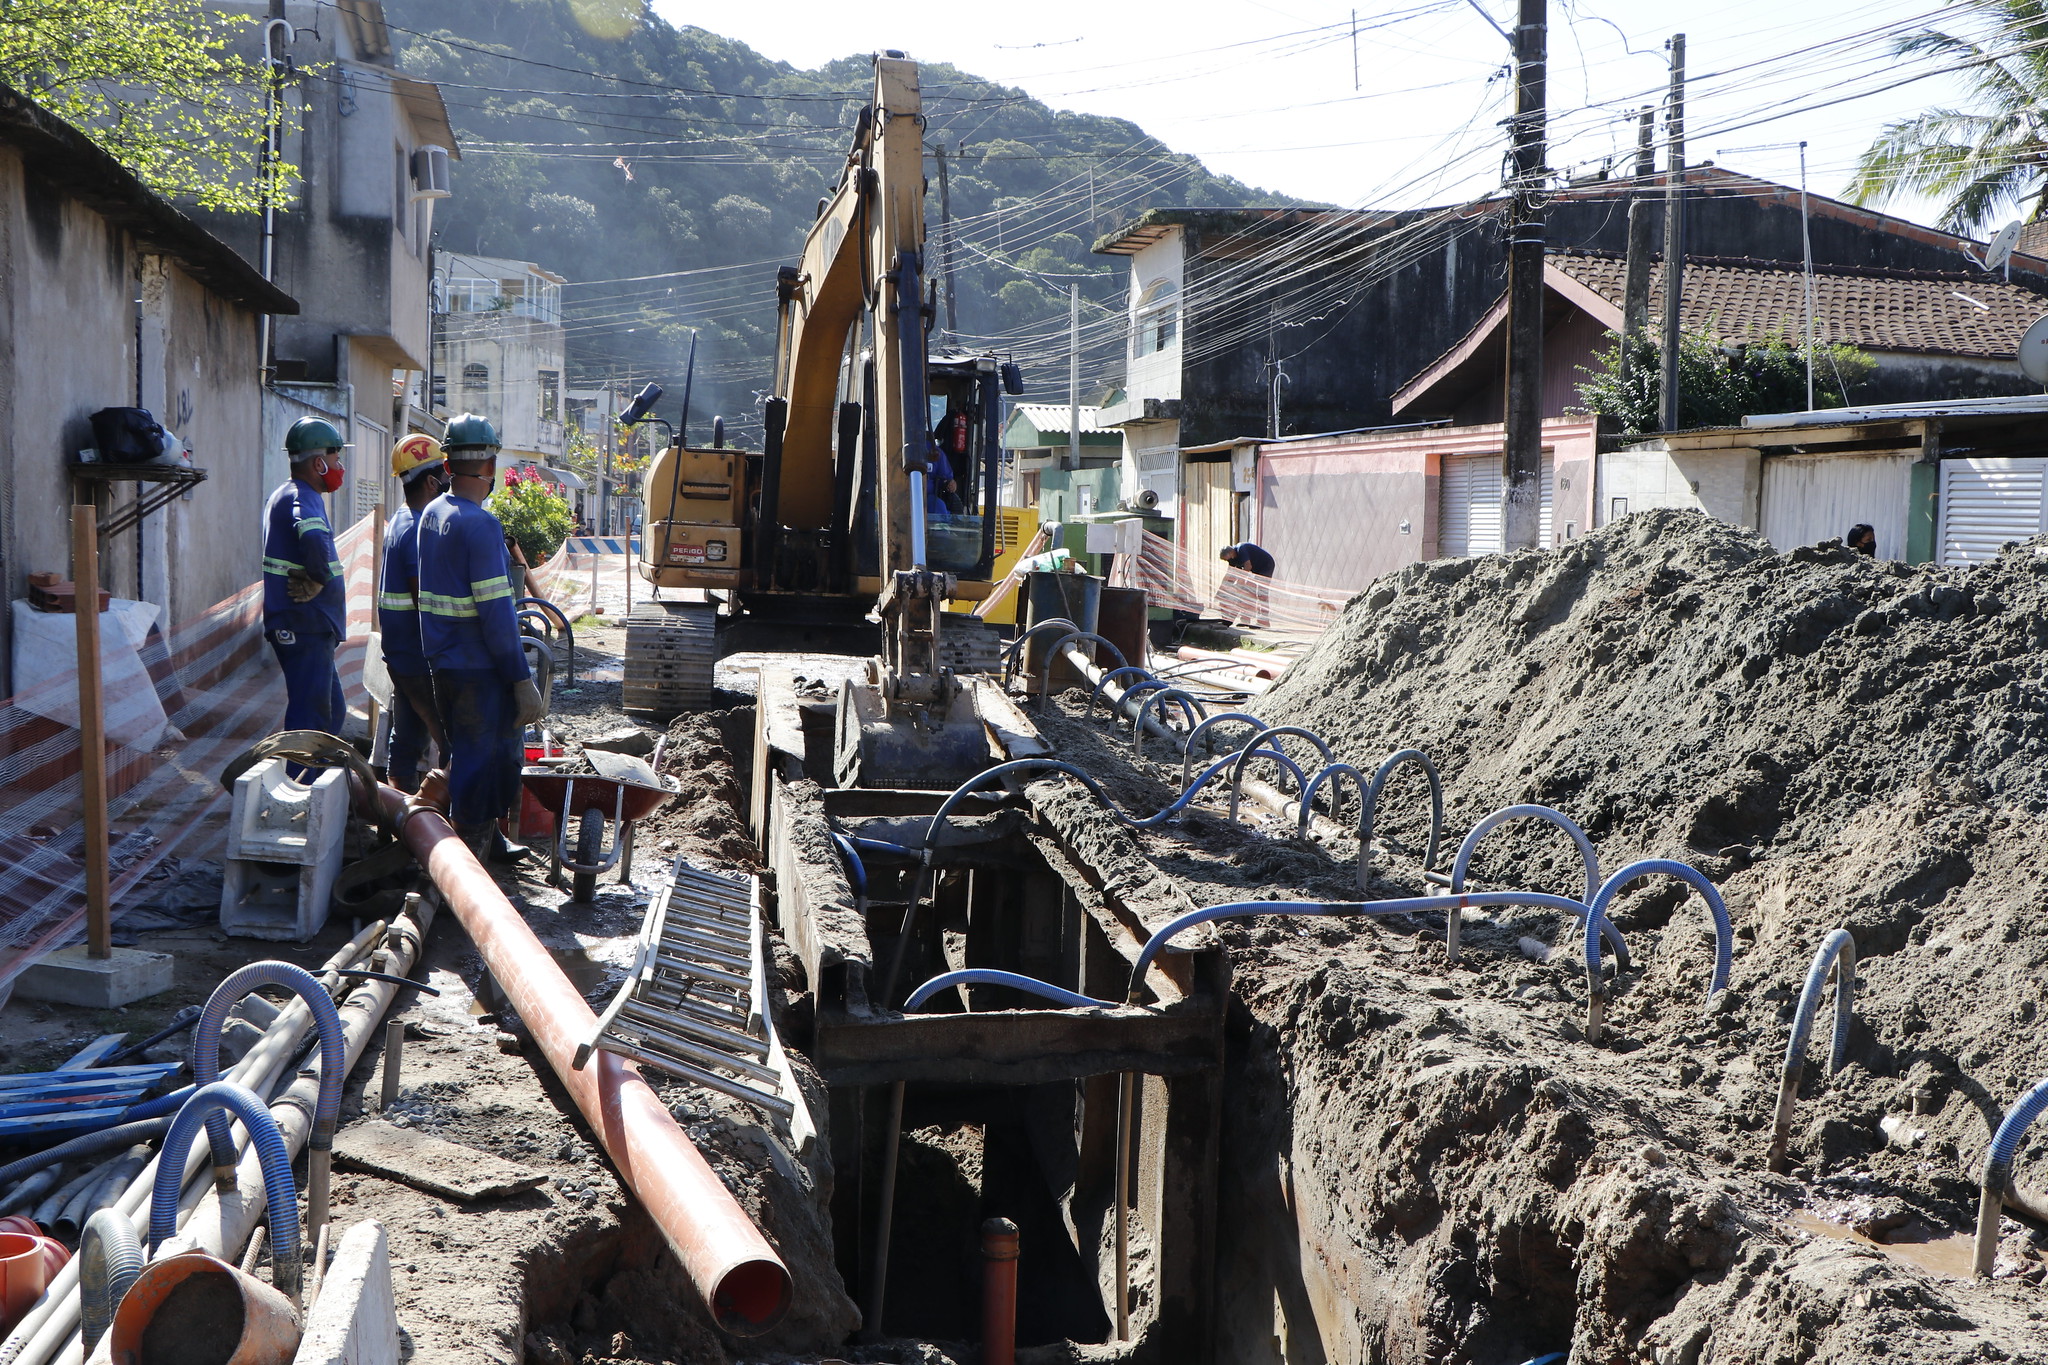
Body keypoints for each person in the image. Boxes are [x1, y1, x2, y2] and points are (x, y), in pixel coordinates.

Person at [416, 414, 547, 861]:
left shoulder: (432, 514)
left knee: (461, 753)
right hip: (480, 669)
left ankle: (481, 847)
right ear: (489, 466)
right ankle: (467, 868)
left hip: (443, 663)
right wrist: (519, 678)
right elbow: (495, 614)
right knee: (482, 762)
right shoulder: (482, 525)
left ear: (448, 463)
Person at [262, 417, 349, 755]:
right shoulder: (305, 496)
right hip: (304, 625)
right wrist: (319, 577)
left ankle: (315, 785)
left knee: (332, 712)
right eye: (335, 458)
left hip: (308, 625)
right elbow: (312, 536)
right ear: (318, 463)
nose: (338, 466)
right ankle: (301, 792)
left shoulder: (285, 493)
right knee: (310, 718)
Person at [379, 434, 451, 793]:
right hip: (416, 655)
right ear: (430, 482)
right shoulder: (420, 529)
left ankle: (398, 817)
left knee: (406, 735)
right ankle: (447, 821)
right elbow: (425, 599)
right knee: (447, 736)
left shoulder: (400, 519)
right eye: (445, 474)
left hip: (400, 651)